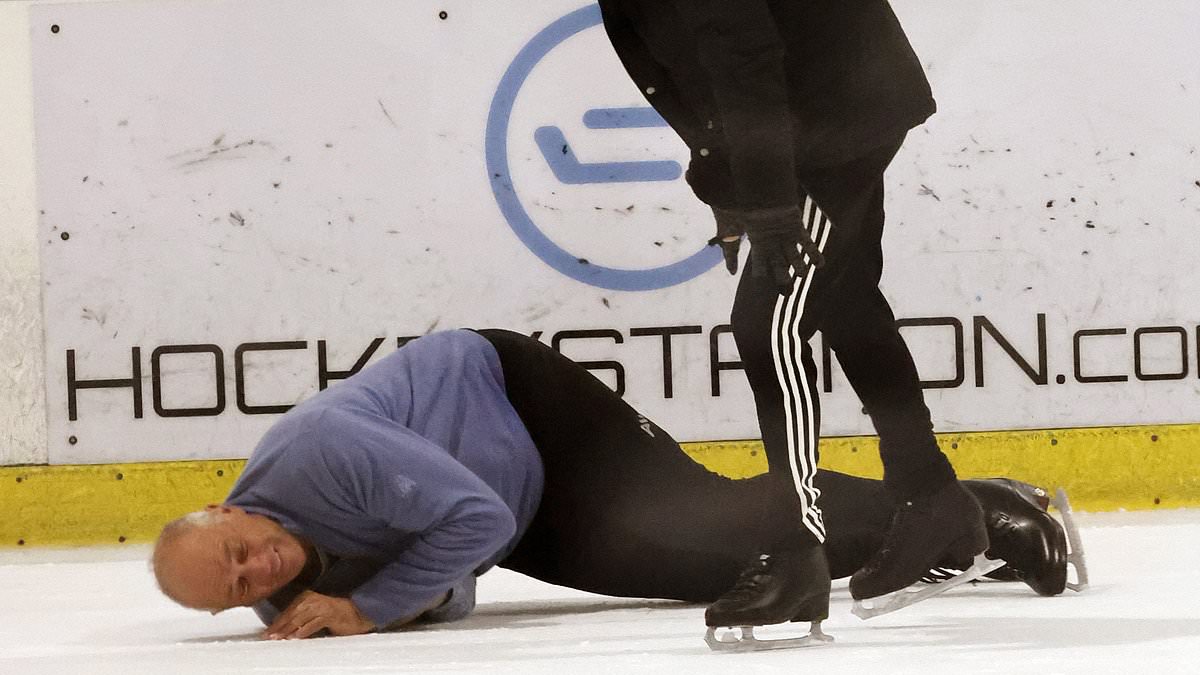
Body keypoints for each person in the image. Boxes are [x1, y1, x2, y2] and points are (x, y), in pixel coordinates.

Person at [151, 330, 1070, 640]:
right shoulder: (287, 583)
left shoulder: (321, 450)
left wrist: (370, 605)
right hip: (513, 501)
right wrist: (389, 598)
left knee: (710, 514)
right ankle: (939, 538)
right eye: (238, 589)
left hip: (517, 401)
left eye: (238, 549)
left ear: (233, 506)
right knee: (709, 568)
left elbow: (466, 519)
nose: (256, 568)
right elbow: (460, 588)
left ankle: (976, 508)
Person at [593, 0, 990, 629]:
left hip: (836, 115)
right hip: (822, 104)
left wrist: (770, 203)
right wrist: (728, 183)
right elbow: (690, 70)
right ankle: (934, 499)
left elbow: (743, 57)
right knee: (846, 299)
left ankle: (796, 547)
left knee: (766, 325)